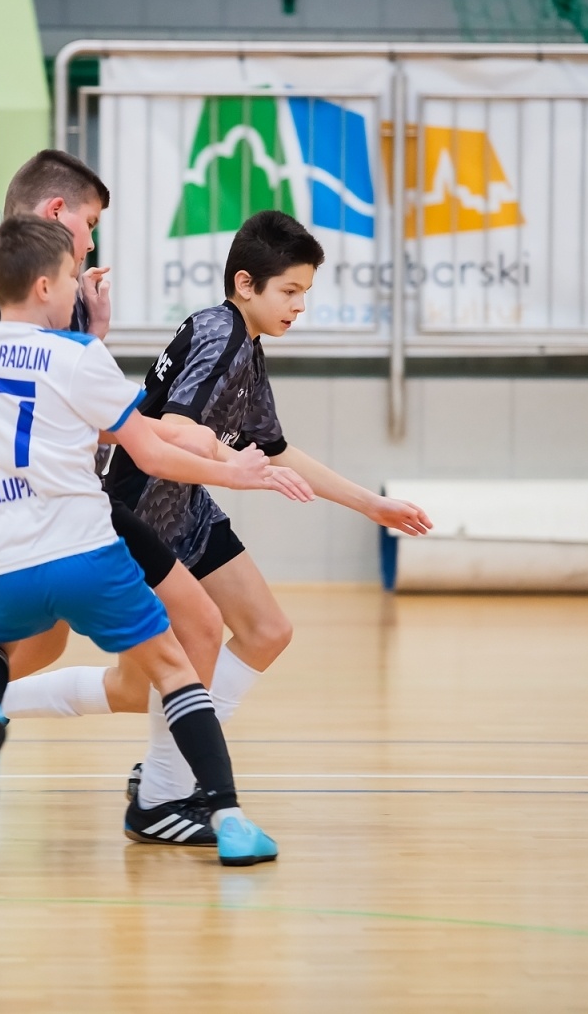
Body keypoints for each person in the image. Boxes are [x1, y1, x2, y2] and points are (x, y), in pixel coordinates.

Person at [0, 152, 300, 850]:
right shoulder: (8, 288)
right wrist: (229, 467)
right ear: (54, 233)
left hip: (21, 517)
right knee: (183, 640)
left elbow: (57, 391)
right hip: (84, 506)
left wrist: (10, 437)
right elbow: (117, 422)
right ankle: (171, 798)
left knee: (35, 640)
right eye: (89, 224)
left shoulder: (24, 320)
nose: (92, 243)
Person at [0, 215, 281, 865]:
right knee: (178, 669)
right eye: (73, 276)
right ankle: (226, 815)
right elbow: (147, 446)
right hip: (80, 549)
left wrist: (87, 333)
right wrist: (228, 468)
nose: (81, 283)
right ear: (45, 286)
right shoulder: (77, 358)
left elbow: (49, 396)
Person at [103, 209, 433, 826]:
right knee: (152, 672)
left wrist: (371, 505)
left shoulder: (247, 347)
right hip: (142, 515)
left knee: (266, 631)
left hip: (191, 509)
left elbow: (276, 449)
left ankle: (164, 771)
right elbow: (173, 429)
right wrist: (236, 463)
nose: (299, 307)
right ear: (246, 284)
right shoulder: (216, 334)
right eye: (290, 291)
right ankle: (160, 790)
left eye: (305, 293)